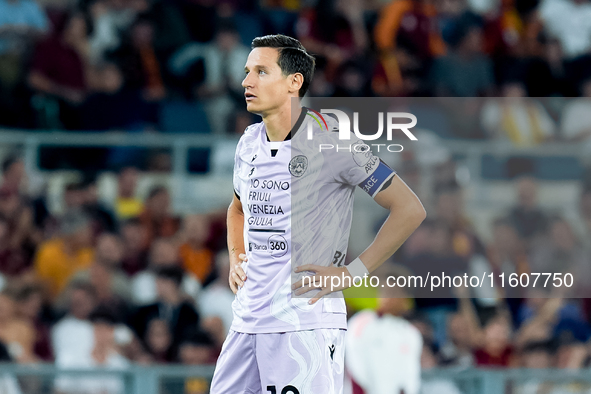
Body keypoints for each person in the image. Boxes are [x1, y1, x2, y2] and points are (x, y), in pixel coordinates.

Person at [210, 34, 426, 393]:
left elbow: (409, 208)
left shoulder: (333, 140)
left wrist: (352, 273)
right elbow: (237, 208)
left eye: (261, 72)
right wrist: (236, 256)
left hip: (304, 324)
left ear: (294, 82)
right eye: (247, 71)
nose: (246, 81)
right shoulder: (248, 141)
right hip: (247, 321)